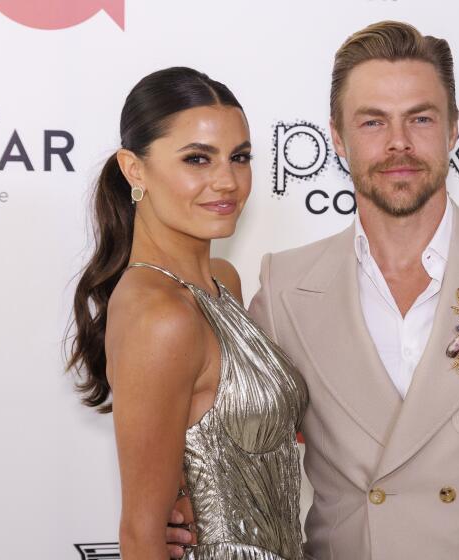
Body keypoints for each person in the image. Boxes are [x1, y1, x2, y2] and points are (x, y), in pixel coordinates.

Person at [167, 21, 459, 560]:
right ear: (338, 139)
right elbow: (240, 448)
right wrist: (187, 506)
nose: (399, 143)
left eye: (420, 118)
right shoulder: (286, 287)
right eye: (373, 122)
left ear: (453, 131)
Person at [67, 67, 308, 560]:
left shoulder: (223, 282)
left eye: (239, 157)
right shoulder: (159, 314)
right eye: (197, 159)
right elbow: (141, 534)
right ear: (134, 170)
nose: (227, 181)